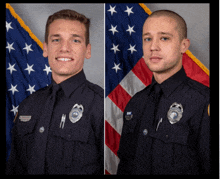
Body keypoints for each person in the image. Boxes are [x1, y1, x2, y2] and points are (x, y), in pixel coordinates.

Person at [6, 9, 104, 175]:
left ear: (87, 50)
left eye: (75, 40)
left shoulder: (100, 105)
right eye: (56, 39)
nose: (64, 48)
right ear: (46, 48)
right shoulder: (28, 105)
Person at [117, 10, 210, 175]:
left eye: (164, 38)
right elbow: (125, 165)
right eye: (147, 39)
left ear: (184, 45)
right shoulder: (136, 103)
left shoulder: (203, 102)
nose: (153, 47)